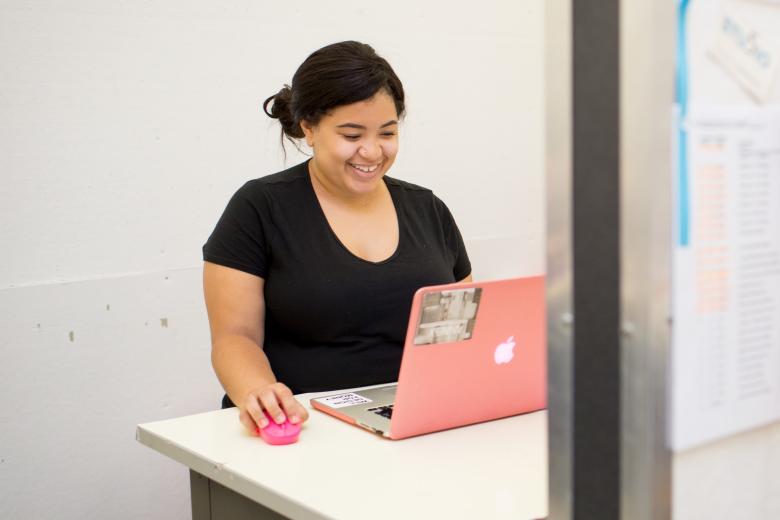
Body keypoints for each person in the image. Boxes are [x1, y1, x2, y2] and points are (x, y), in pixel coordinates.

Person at [202, 41, 472, 436]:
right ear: (308, 128)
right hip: (305, 427)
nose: (371, 151)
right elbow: (234, 338)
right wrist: (257, 391)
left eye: (387, 133)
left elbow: (464, 333)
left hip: (416, 423)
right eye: (351, 134)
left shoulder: (427, 209)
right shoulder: (260, 207)